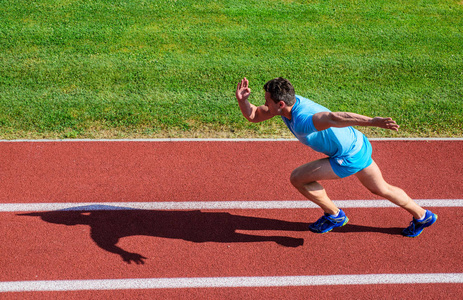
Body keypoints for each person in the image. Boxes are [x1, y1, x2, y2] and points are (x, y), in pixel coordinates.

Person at [235, 77, 437, 237]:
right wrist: (242, 101)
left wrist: (373, 121)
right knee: (382, 188)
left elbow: (333, 117)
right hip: (358, 144)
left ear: (280, 103)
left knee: (297, 178)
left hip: (348, 156)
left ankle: (334, 215)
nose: (264, 105)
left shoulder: (304, 119)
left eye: (267, 102)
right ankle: (423, 216)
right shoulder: (285, 108)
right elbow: (253, 115)